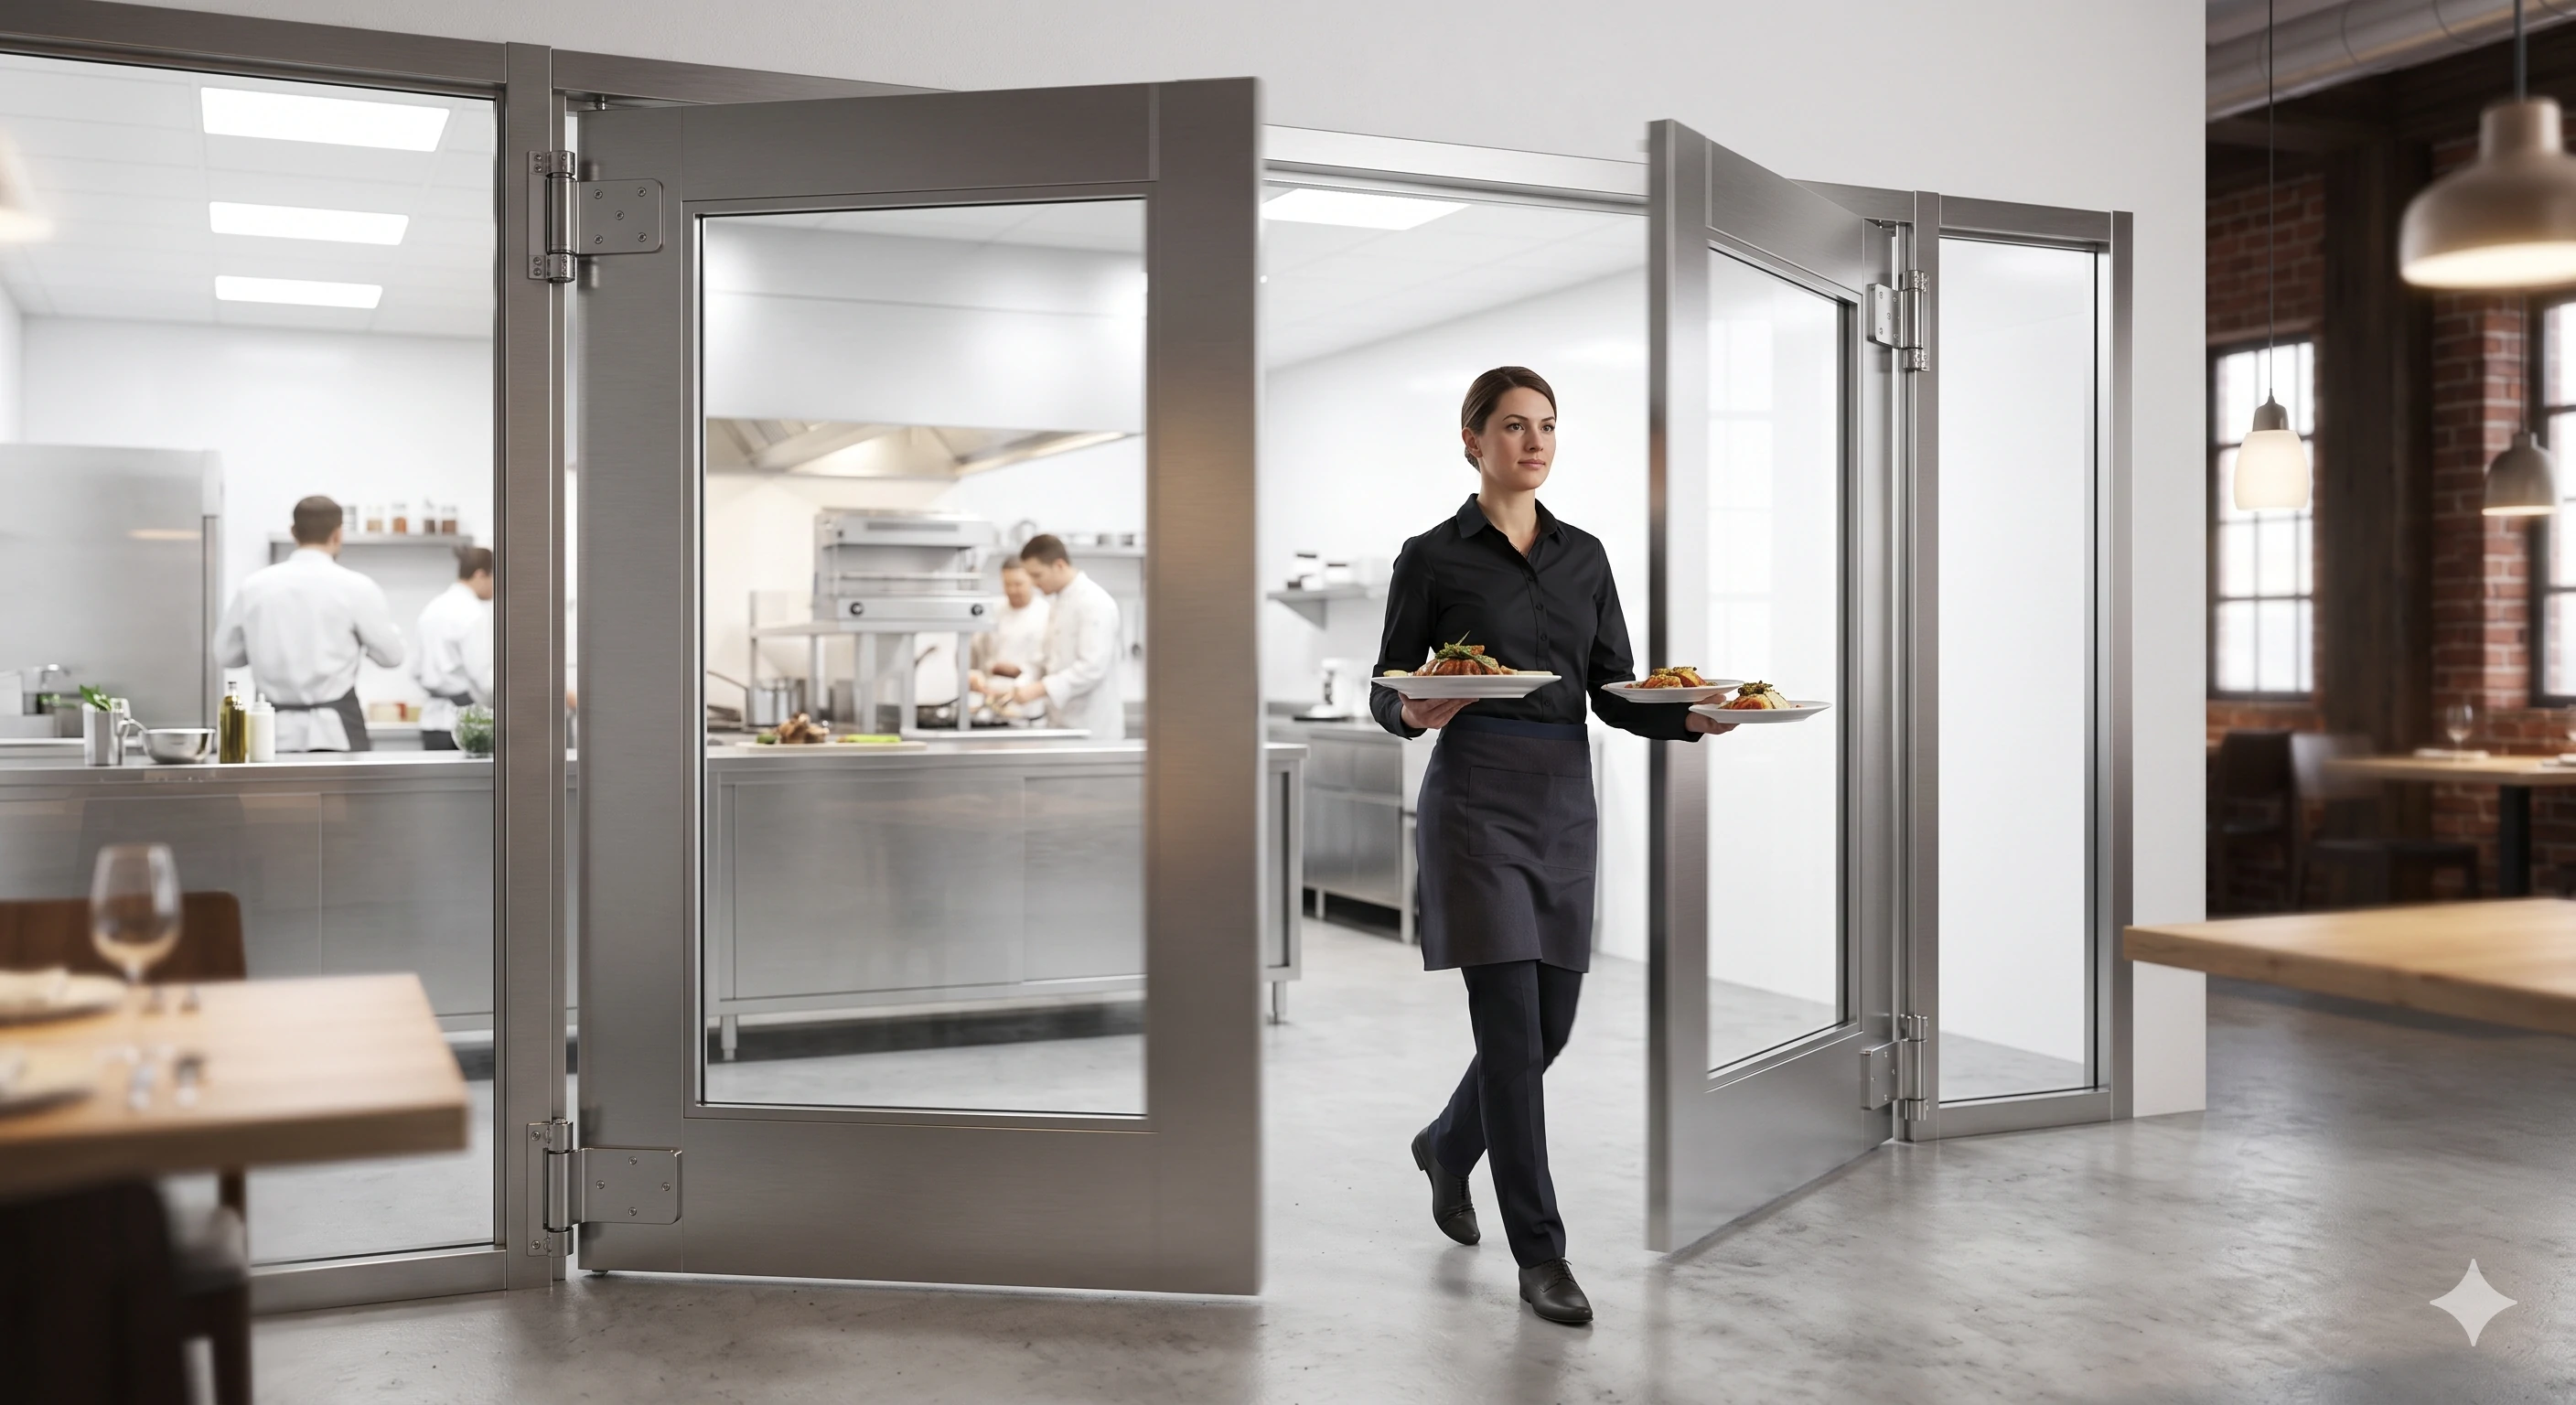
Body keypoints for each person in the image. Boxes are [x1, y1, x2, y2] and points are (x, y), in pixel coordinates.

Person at [1375, 367, 1734, 1327]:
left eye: (1545, 427)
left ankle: (1448, 1147)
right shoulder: (1431, 557)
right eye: (1511, 427)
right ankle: (1542, 1255)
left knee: (1551, 1029)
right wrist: (1409, 707)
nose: (1532, 443)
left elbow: (1614, 687)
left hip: (1562, 798)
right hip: (1474, 801)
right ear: (1471, 440)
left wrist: (1686, 720)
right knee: (1506, 1026)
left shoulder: (1584, 557)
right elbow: (1389, 690)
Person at [213, 495, 405, 752]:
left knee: (273, 794)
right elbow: (392, 657)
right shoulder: (357, 588)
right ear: (338, 534)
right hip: (337, 736)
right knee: (343, 794)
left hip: (270, 736)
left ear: (293, 532)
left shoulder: (254, 587)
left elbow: (226, 655)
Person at [995, 534, 1123, 741]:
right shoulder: (1057, 604)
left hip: (1092, 728)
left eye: (1037, 575)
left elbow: (1092, 668)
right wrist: (1023, 683)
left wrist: (1040, 688)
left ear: (1059, 565)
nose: (1034, 584)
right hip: (1060, 723)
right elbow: (1045, 659)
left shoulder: (1095, 603)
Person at [413, 545, 495, 750]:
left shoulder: (432, 607)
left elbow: (416, 670)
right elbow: (484, 680)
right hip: (466, 727)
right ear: (480, 575)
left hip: (432, 723)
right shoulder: (473, 613)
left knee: (439, 782)